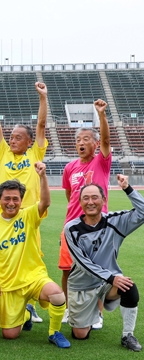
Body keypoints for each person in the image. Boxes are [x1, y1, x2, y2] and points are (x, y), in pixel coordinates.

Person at [0, 163, 70, 348]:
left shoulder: (28, 215)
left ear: (21, 201)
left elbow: (45, 202)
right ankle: (26, 314)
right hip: (9, 284)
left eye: (16, 199)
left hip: (34, 277)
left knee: (57, 295)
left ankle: (54, 332)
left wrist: (42, 176)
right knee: (9, 335)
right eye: (7, 198)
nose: (11, 203)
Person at [0, 82, 49, 324]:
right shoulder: (2, 152)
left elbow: (42, 124)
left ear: (29, 141)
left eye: (18, 137)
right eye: (11, 137)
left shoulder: (35, 154)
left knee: (30, 260)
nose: (12, 140)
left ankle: (30, 305)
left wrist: (43, 97)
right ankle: (9, 301)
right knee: (5, 259)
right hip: (4, 217)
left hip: (28, 215)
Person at [65, 175, 144, 351]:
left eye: (95, 197)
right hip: (82, 286)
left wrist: (127, 188)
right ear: (80, 202)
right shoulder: (71, 228)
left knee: (128, 286)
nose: (90, 202)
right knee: (80, 335)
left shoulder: (115, 221)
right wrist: (111, 278)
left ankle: (127, 335)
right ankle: (90, 315)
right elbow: (82, 262)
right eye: (86, 198)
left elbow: (143, 212)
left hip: (107, 283)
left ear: (104, 200)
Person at [60, 99, 111, 328]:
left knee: (98, 271)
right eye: (78, 140)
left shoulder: (101, 162)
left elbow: (107, 141)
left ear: (95, 143)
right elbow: (70, 194)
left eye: (86, 139)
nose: (81, 143)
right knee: (67, 269)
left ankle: (97, 313)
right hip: (72, 226)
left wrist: (101, 114)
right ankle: (69, 309)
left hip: (98, 227)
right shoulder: (70, 167)